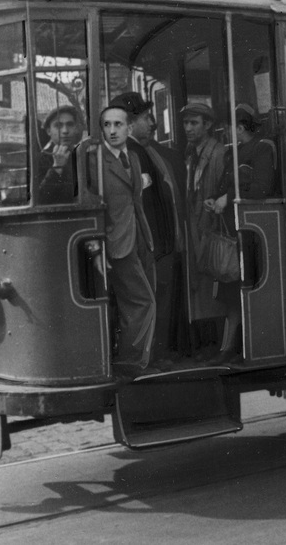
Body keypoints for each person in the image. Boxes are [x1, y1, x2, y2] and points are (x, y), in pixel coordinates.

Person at [109, 92, 185, 367]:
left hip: (155, 245)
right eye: (145, 118)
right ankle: (148, 360)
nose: (152, 123)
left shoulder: (142, 151)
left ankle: (153, 356)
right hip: (147, 246)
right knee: (149, 301)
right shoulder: (131, 153)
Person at [203, 103, 277, 364]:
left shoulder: (262, 149)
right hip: (232, 233)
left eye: (230, 127)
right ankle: (229, 348)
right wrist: (215, 198)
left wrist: (228, 197)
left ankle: (243, 347)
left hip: (250, 233)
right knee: (232, 295)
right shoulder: (232, 153)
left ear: (242, 127)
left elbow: (261, 188)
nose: (226, 131)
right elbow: (226, 185)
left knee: (243, 292)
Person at [93, 105, 156, 376]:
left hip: (139, 236)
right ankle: (132, 363)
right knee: (143, 302)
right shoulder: (96, 161)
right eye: (107, 125)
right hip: (116, 243)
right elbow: (95, 208)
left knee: (141, 300)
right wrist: (98, 247)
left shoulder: (132, 157)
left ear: (129, 128)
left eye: (118, 124)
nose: (112, 130)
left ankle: (138, 359)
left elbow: (134, 200)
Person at [182, 102, 227, 348]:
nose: (188, 128)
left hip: (209, 225)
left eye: (194, 123)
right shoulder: (191, 152)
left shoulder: (218, 153)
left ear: (207, 125)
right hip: (195, 224)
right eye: (186, 123)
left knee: (210, 283)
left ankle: (213, 343)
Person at [37, 104, 83, 204]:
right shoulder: (41, 158)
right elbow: (40, 199)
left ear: (76, 128)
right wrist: (57, 167)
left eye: (70, 125)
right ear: (49, 131)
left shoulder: (82, 154)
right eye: (58, 126)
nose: (65, 131)